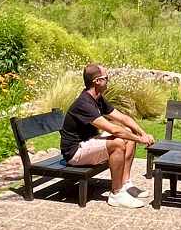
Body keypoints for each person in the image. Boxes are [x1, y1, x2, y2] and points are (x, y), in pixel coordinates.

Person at [60, 64, 156, 208]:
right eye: (107, 78)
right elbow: (113, 129)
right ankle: (116, 194)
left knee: (128, 137)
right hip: (75, 152)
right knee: (118, 142)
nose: (108, 80)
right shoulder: (83, 103)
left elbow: (123, 118)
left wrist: (142, 133)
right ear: (97, 81)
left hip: (88, 143)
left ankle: (125, 184)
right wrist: (140, 139)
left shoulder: (98, 98)